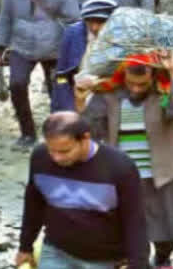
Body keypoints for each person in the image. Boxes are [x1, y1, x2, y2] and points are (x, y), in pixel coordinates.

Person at [82, 51, 173, 269]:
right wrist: (80, 97)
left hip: (165, 175)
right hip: (124, 179)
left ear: (153, 77)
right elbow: (89, 130)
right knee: (129, 231)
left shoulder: (165, 91)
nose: (135, 89)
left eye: (142, 84)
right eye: (131, 83)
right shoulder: (108, 94)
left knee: (170, 229)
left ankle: (163, 257)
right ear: (123, 76)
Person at [16, 112, 150, 269]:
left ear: (85, 139)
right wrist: (25, 247)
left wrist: (138, 264)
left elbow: (135, 222)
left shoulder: (119, 167)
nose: (56, 158)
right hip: (56, 251)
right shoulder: (40, 158)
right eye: (51, 150)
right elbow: (33, 205)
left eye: (64, 151)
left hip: (105, 259)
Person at [0, 0, 81, 148]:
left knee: (56, 90)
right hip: (22, 46)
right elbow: (5, 18)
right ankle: (27, 133)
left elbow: (75, 24)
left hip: (54, 49)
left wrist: (73, 57)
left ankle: (59, 130)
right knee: (16, 85)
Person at [51, 0, 118, 113]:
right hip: (77, 97)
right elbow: (61, 76)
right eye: (90, 21)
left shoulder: (123, 38)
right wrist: (67, 108)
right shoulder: (72, 34)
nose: (94, 27)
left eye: (100, 21)